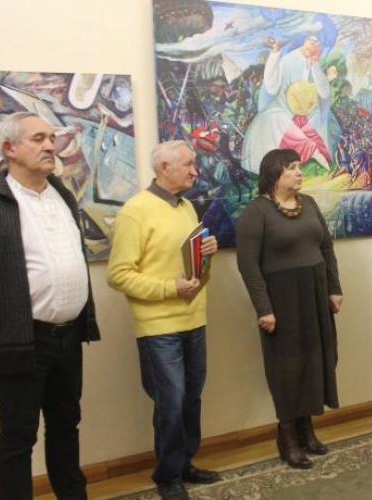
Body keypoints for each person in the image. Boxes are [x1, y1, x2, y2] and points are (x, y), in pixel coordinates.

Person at [0, 111, 100, 500]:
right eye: (38, 138)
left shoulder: (63, 195)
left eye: (51, 137)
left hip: (68, 338)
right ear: (9, 148)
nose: (49, 145)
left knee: (66, 425)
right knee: (17, 438)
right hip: (20, 343)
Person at [107, 141, 221, 500]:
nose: (195, 171)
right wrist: (170, 288)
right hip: (159, 326)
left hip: (194, 319)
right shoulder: (135, 211)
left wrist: (208, 253)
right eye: (188, 164)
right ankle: (168, 476)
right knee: (171, 402)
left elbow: (192, 266)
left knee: (191, 398)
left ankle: (184, 464)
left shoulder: (186, 207)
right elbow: (118, 275)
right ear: (164, 168)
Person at [236, 148, 343, 469]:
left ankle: (306, 430)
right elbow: (248, 266)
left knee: (316, 360)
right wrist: (263, 308)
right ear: (274, 174)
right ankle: (287, 437)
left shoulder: (308, 204)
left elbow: (326, 248)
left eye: (299, 166)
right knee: (288, 368)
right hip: (282, 301)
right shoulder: (256, 212)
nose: (299, 172)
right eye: (292, 167)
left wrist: (334, 288)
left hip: (315, 294)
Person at [242, 35, 332, 175]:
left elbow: (324, 93)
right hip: (282, 109)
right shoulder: (287, 61)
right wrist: (275, 53)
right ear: (303, 41)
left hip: (304, 112)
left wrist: (315, 66)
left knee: (316, 116)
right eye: (311, 42)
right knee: (275, 119)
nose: (314, 46)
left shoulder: (314, 63)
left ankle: (314, 156)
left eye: (317, 43)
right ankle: (311, 150)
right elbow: (271, 86)